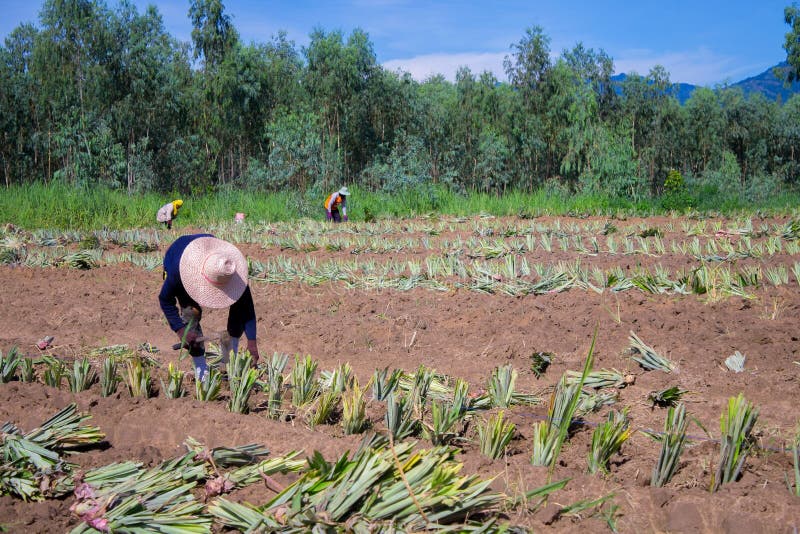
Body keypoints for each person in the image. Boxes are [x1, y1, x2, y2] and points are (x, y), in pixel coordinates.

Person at [158, 234, 259, 380]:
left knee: (239, 305)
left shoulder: (229, 270)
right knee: (191, 312)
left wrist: (252, 342)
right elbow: (165, 299)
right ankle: (201, 370)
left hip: (210, 255)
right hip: (178, 258)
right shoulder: (178, 272)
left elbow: (247, 309)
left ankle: (231, 360)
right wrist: (181, 330)